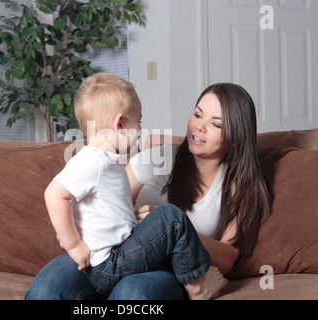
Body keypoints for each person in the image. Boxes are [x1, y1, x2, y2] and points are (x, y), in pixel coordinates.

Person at [25, 82, 269, 300]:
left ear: (236, 137)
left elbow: (227, 259)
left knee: (132, 293)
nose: (200, 127)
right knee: (48, 286)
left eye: (215, 123)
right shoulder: (153, 160)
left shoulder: (241, 188)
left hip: (166, 269)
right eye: (197, 114)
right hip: (112, 255)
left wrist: (169, 230)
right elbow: (108, 205)